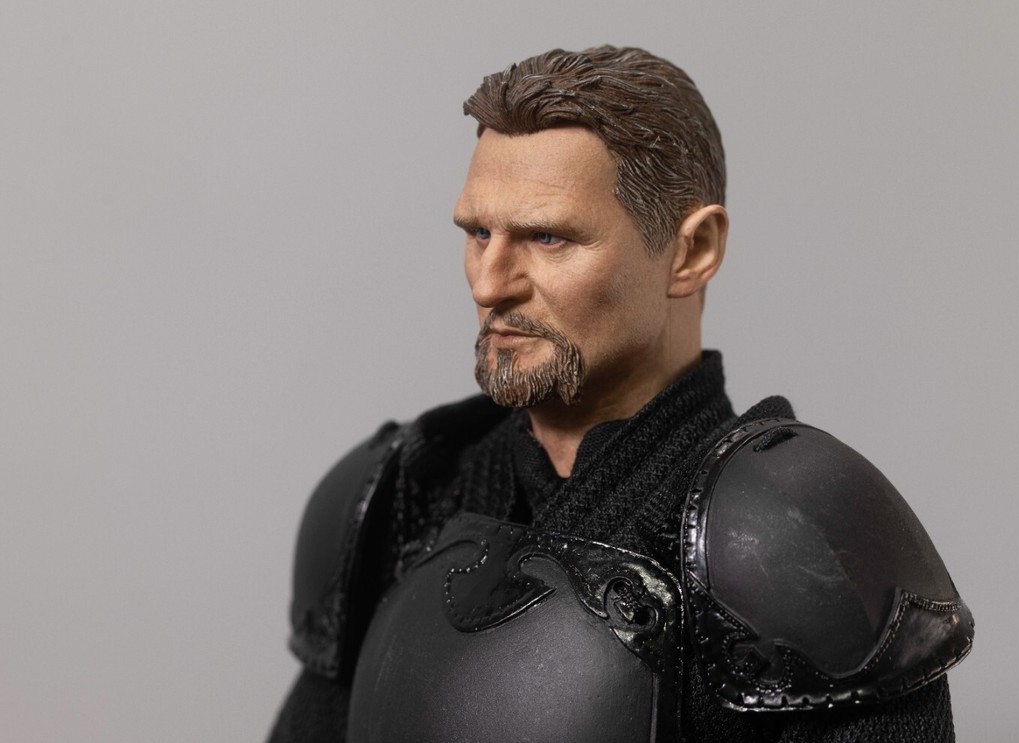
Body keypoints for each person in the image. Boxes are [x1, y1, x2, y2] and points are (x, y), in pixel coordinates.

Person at [267, 45, 973, 743]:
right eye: (479, 232)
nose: (489, 283)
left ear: (692, 252)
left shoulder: (795, 540)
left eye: (547, 237)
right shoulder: (403, 495)